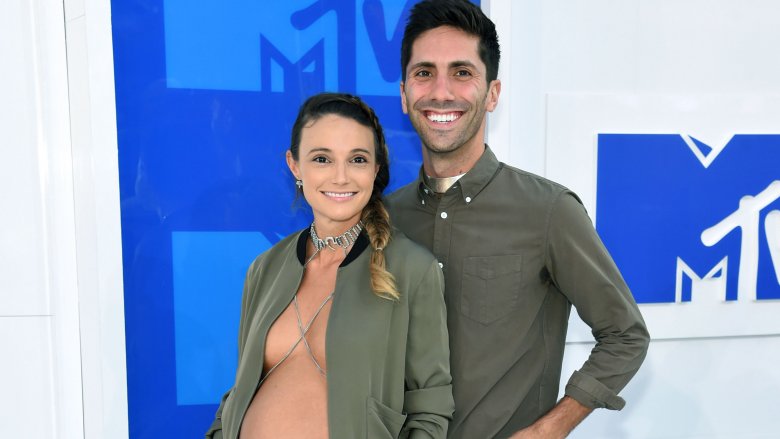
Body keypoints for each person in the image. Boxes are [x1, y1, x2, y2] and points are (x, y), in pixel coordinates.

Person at [387, 1, 651, 438]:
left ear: (492, 93)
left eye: (462, 72)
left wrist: (549, 429)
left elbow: (625, 335)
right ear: (403, 93)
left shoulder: (548, 211)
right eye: (424, 73)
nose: (441, 91)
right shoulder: (385, 219)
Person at [206, 93, 454, 438]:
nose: (341, 177)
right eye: (322, 159)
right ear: (295, 165)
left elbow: (431, 406)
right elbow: (239, 390)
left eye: (357, 159)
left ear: (375, 169)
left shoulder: (412, 269)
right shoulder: (264, 268)